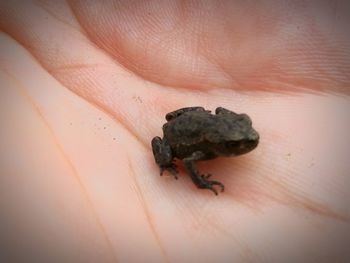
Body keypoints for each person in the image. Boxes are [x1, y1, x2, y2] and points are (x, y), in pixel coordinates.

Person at [1, 1, 349, 262]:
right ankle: (164, 164)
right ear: (222, 145)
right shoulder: (202, 150)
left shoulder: (221, 129)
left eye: (244, 134)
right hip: (173, 137)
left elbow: (221, 112)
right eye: (238, 142)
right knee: (166, 151)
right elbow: (191, 160)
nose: (248, 141)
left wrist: (217, 120)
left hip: (195, 119)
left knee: (198, 114)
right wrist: (186, 174)